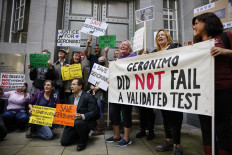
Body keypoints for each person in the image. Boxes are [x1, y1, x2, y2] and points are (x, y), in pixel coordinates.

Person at [192, 12, 232, 155]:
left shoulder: (226, 37)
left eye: (197, 23)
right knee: (206, 126)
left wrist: (224, 51)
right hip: (203, 91)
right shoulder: (196, 44)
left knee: (223, 126)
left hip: (223, 89)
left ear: (207, 23)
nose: (194, 26)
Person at [152, 29, 183, 155]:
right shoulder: (154, 53)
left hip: (174, 88)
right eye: (158, 35)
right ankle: (168, 140)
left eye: (162, 35)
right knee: (165, 116)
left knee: (175, 116)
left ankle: (177, 144)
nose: (160, 37)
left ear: (167, 37)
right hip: (161, 90)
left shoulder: (175, 47)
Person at [105, 40, 136, 147]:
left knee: (126, 113)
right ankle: (116, 136)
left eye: (125, 45)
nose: (122, 46)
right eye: (121, 45)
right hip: (115, 92)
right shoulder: (116, 61)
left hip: (127, 92)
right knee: (114, 112)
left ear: (129, 49)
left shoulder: (133, 56)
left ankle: (126, 138)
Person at [60, 78, 99, 151]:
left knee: (78, 123)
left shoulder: (88, 96)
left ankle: (82, 142)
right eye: (71, 84)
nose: (71, 86)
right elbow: (68, 112)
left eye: (74, 84)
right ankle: (80, 135)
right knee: (64, 142)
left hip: (85, 122)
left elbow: (95, 113)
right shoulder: (70, 97)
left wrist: (82, 116)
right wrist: (58, 114)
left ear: (80, 86)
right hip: (73, 122)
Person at [136, 49, 156, 141]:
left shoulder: (152, 64)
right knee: (142, 113)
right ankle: (143, 130)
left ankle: (151, 131)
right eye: (142, 53)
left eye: (146, 53)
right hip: (140, 93)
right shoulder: (136, 65)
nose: (144, 54)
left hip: (150, 93)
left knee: (150, 114)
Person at [90, 56, 108, 136]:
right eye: (99, 60)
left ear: (104, 61)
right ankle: (96, 127)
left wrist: (99, 87)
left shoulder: (107, 71)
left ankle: (100, 129)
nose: (100, 61)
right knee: (95, 110)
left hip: (101, 94)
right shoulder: (95, 70)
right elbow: (92, 80)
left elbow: (107, 82)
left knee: (99, 109)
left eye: (102, 60)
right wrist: (91, 86)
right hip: (94, 93)